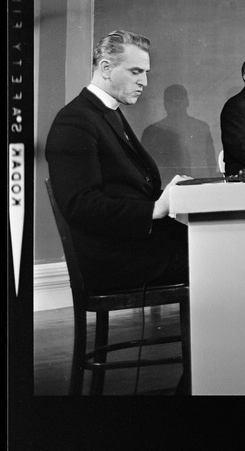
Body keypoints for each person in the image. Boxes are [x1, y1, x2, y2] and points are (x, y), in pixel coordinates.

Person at [45, 30, 192, 294]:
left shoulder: (107, 113)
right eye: (136, 72)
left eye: (146, 73)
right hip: (114, 260)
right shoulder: (75, 120)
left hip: (131, 247)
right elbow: (79, 205)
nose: (144, 82)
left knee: (216, 244)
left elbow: (128, 188)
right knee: (218, 255)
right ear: (106, 68)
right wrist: (155, 209)